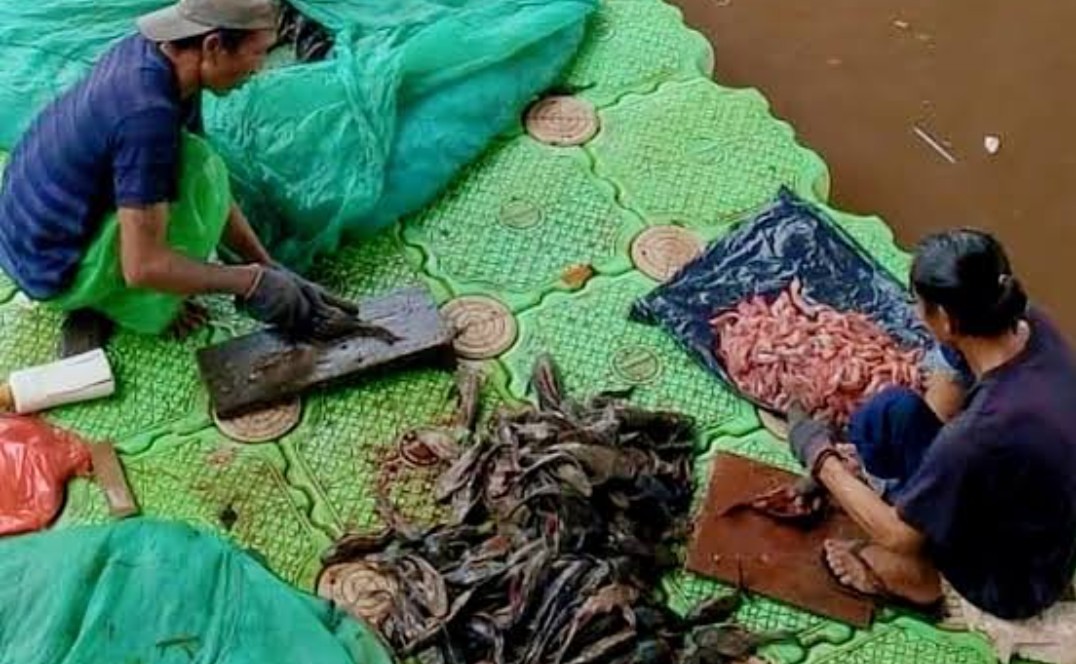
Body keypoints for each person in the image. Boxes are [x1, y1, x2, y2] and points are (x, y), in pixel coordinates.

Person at [0, 0, 362, 357]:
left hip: (30, 233)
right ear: (213, 46)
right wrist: (251, 282)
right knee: (195, 185)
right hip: (50, 267)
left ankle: (110, 281)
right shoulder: (146, 118)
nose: (260, 68)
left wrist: (266, 266)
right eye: (257, 53)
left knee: (201, 165)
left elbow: (215, 187)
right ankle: (127, 302)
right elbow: (143, 266)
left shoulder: (159, 60)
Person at [788, 229, 1076, 663]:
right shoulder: (1028, 322)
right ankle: (911, 505)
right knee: (891, 414)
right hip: (1045, 520)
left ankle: (918, 578)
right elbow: (948, 385)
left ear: (944, 318)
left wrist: (818, 455)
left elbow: (896, 534)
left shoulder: (977, 435)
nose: (913, 312)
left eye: (918, 304)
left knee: (901, 532)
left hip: (1015, 580)